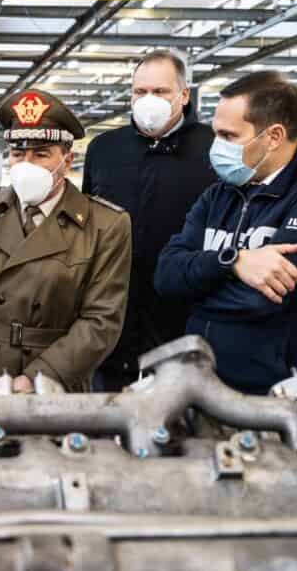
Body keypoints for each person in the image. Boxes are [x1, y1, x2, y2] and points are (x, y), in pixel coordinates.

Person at [154, 71, 297, 394]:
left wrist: (195, 290)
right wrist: (232, 261)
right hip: (209, 389)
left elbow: (258, 301)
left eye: (229, 136)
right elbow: (166, 276)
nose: (216, 146)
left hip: (289, 398)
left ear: (274, 136)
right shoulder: (219, 196)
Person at [0, 89, 131, 394]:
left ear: (66, 159)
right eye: (17, 153)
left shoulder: (106, 225)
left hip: (54, 383)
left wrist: (40, 377)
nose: (27, 164)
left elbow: (101, 321)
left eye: (41, 153)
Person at [82, 49, 217, 391]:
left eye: (160, 92)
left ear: (184, 95)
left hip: (184, 318)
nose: (148, 100)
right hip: (112, 317)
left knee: (178, 427)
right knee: (104, 423)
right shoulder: (104, 149)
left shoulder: (214, 149)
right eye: (140, 92)